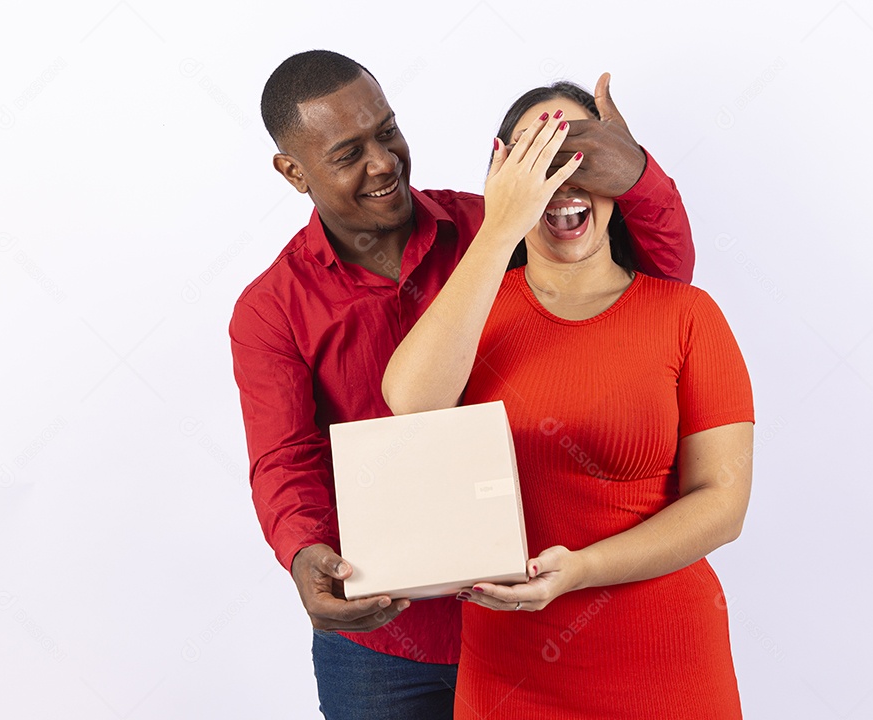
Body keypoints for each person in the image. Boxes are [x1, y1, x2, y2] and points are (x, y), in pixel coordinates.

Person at [230, 50, 696, 719]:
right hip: (386, 646)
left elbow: (653, 282)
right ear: (293, 171)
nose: (385, 162)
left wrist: (638, 175)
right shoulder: (270, 309)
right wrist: (305, 553)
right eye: (349, 152)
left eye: (387, 131)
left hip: (531, 619)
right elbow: (286, 459)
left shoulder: (496, 227)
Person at [382, 83, 754, 718]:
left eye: (581, 157)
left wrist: (580, 569)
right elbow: (411, 406)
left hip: (665, 663)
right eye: (539, 163)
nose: (563, 182)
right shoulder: (475, 313)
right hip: (512, 671)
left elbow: (722, 505)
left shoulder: (687, 316)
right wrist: (501, 228)